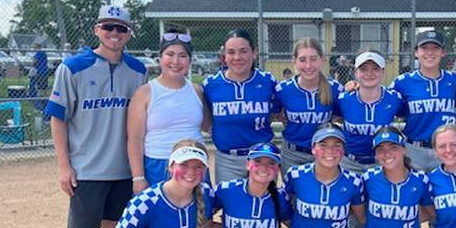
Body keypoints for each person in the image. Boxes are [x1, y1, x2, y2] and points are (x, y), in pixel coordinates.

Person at [45, 4, 147, 228]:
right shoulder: (73, 68)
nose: (114, 34)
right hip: (86, 169)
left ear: (129, 33)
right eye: (108, 27)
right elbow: (58, 117)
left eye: (121, 28)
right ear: (96, 30)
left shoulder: (137, 70)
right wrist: (64, 165)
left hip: (121, 169)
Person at [335, 50, 404, 228]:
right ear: (355, 73)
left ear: (383, 72)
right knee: (351, 219)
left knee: (379, 214)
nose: (369, 73)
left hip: (380, 164)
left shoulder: (394, 98)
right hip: (352, 163)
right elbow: (333, 118)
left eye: (375, 68)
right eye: (363, 69)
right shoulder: (344, 99)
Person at [127, 30, 209, 192]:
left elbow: (210, 126)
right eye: (170, 54)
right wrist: (138, 177)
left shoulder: (197, 91)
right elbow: (135, 139)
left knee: (198, 215)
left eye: (182, 56)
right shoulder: (145, 93)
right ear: (160, 58)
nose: (176, 61)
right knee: (161, 215)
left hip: (194, 163)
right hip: (159, 164)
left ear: (190, 61)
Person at [203, 29, 277, 182]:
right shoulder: (211, 85)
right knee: (231, 204)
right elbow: (206, 115)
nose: (237, 57)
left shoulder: (268, 81)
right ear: (225, 56)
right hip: (227, 160)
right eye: (231, 52)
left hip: (262, 158)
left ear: (254, 53)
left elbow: (279, 112)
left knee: (265, 204)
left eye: (243, 51)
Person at [391, 30, 456, 173]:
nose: (430, 53)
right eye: (424, 48)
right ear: (416, 52)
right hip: (414, 149)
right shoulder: (403, 82)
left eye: (435, 48)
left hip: (446, 151)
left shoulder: (454, 81)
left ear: (443, 52)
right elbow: (382, 101)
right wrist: (356, 86)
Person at [275, 37, 342, 170]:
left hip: (323, 154)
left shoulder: (335, 89)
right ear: (294, 61)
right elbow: (274, 114)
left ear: (322, 60)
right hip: (292, 155)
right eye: (302, 60)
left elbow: (340, 116)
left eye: (313, 59)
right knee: (293, 191)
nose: (308, 65)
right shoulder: (283, 89)